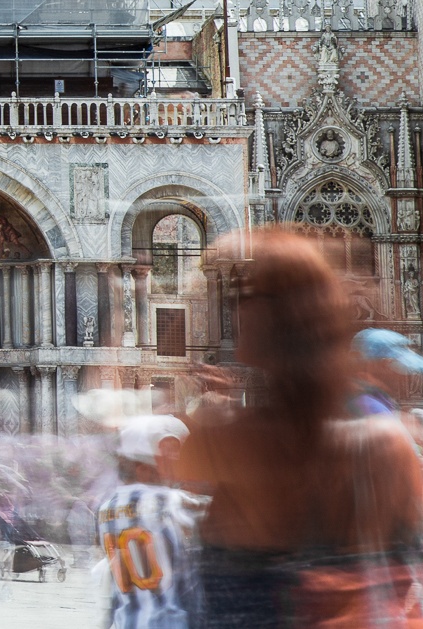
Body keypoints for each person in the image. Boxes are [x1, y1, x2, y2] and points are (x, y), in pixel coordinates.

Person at [179, 228, 423, 627]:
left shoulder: (377, 446)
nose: (237, 305)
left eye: (250, 291)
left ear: (287, 315)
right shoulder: (219, 438)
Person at [98, 415, 200, 629]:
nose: (177, 471)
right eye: (169, 461)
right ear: (142, 468)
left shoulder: (106, 508)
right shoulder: (171, 502)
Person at [352, 327, 423, 416]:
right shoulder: (371, 407)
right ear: (381, 366)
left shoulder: (378, 397)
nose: (405, 376)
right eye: (401, 369)